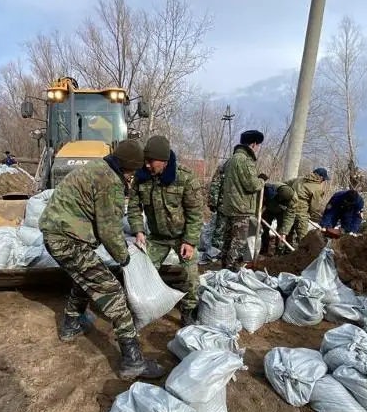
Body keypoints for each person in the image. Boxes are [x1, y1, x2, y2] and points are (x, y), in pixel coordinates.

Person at [39, 139, 164, 380]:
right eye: (134, 171)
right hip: (67, 240)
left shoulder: (100, 168)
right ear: (129, 167)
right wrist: (126, 258)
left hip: (59, 235)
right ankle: (133, 361)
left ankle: (71, 325)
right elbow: (109, 230)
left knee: (88, 277)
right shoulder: (110, 182)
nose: (134, 176)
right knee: (112, 292)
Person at [128, 135, 204, 327]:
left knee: (191, 275)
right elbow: (134, 207)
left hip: (182, 237)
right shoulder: (141, 177)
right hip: (156, 237)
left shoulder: (185, 177)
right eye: (145, 160)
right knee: (142, 268)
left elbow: (195, 213)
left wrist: (189, 242)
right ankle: (146, 306)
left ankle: (188, 310)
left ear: (164, 161)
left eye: (151, 161)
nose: (147, 165)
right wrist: (138, 230)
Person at [219, 130, 266, 271]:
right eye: (257, 145)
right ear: (253, 144)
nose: (257, 148)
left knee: (228, 240)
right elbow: (252, 185)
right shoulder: (245, 161)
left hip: (229, 207)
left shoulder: (230, 160)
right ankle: (231, 271)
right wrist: (262, 180)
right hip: (241, 208)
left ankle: (224, 269)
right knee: (238, 243)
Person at [287, 167, 328, 246]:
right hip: (301, 212)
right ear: (321, 177)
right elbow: (314, 207)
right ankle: (302, 251)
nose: (323, 181)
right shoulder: (317, 188)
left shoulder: (300, 178)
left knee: (287, 230)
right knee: (302, 236)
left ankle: (283, 250)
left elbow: (286, 184)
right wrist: (310, 214)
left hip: (288, 208)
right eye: (324, 179)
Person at [259, 182, 297, 254]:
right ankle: (264, 248)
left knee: (282, 230)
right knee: (264, 228)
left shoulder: (293, 201)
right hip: (269, 209)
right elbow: (261, 199)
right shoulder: (270, 189)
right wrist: (260, 211)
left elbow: (290, 217)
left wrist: (284, 232)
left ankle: (279, 250)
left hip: (282, 212)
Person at [207, 158, 228, 250]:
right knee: (221, 229)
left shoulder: (223, 169)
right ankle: (216, 249)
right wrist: (213, 203)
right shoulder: (223, 169)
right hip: (226, 205)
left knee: (221, 229)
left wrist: (213, 203)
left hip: (225, 204)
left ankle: (217, 249)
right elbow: (215, 187)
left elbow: (214, 186)